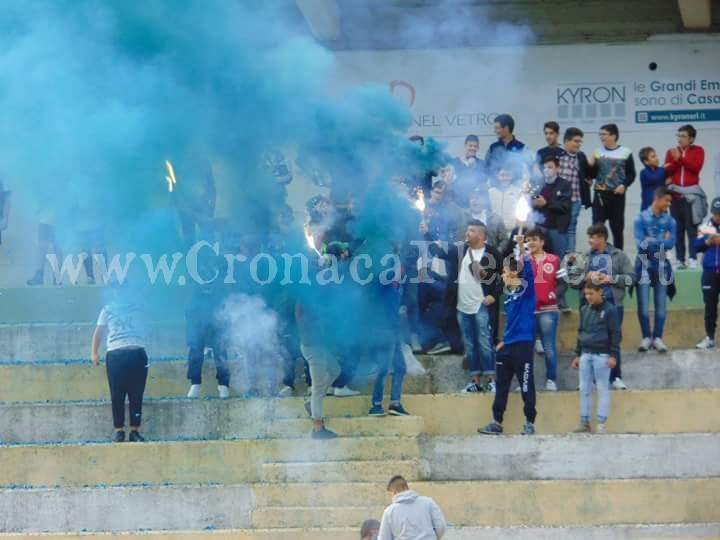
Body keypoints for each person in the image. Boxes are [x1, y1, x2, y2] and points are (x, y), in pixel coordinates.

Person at [434, 220, 503, 394]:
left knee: (485, 343)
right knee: (470, 345)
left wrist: (493, 296)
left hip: (481, 306)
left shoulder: (492, 253)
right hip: (462, 307)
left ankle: (492, 380)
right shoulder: (461, 250)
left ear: (481, 235)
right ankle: (475, 381)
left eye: (471, 231)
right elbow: (440, 253)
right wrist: (428, 234)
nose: (467, 233)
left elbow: (501, 277)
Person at [567, 223, 635, 390]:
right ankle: (587, 380)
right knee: (586, 340)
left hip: (612, 304)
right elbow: (572, 280)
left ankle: (615, 377)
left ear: (603, 238)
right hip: (588, 305)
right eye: (589, 237)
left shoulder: (619, 255)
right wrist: (586, 276)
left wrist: (609, 279)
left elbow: (632, 278)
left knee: (613, 339)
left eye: (594, 237)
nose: (590, 240)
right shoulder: (583, 257)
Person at [479, 254, 537, 435]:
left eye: (504, 272)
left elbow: (527, 271)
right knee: (501, 385)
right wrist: (503, 342)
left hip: (523, 345)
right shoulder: (508, 297)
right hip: (507, 347)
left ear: (512, 273)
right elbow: (512, 323)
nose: (501, 276)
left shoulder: (526, 291)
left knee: (526, 383)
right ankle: (496, 422)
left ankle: (529, 422)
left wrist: (522, 249)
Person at [90, 282, 148, 443]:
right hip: (116, 355)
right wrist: (94, 352)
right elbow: (98, 332)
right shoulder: (107, 309)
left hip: (138, 353)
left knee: (137, 395)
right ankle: (119, 430)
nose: (120, 291)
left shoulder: (139, 306)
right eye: (117, 288)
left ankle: (135, 430)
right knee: (117, 394)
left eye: (124, 287)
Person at [571, 281, 620, 434]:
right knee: (584, 389)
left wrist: (613, 355)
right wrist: (578, 354)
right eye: (586, 294)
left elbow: (615, 334)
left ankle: (601, 424)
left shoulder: (610, 310)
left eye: (591, 293)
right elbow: (580, 332)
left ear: (600, 292)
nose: (588, 297)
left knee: (602, 388)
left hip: (602, 355)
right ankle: (584, 422)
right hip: (586, 353)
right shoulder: (584, 309)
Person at [634, 187, 676, 353]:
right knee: (643, 305)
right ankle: (646, 337)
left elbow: (671, 244)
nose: (668, 204)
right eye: (667, 200)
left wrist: (651, 239)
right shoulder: (640, 218)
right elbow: (640, 245)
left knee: (661, 305)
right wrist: (661, 240)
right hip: (643, 264)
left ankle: (658, 337)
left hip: (662, 265)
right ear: (657, 199)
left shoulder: (670, 221)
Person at [526, 228, 567, 391]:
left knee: (549, 347)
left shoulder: (554, 259)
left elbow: (564, 283)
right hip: (527, 312)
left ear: (542, 242)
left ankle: (551, 380)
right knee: (526, 349)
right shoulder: (522, 260)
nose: (531, 242)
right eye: (528, 240)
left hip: (548, 310)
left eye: (534, 239)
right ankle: (525, 381)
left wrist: (554, 293)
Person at [185, 257, 231, 399]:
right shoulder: (196, 285)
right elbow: (191, 310)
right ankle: (195, 383)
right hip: (199, 322)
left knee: (221, 348)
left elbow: (225, 306)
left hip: (217, 322)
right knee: (195, 347)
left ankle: (223, 385)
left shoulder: (222, 285)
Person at [588, 123, 636, 250]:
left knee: (617, 229)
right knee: (597, 228)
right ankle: (596, 255)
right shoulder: (597, 152)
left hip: (617, 195)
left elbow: (631, 174)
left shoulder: (626, 152)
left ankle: (618, 257)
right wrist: (590, 163)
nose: (601, 137)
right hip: (600, 195)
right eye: (600, 134)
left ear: (613, 136)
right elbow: (592, 174)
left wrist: (624, 185)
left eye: (604, 134)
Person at [665, 124, 706, 269]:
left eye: (683, 136)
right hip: (675, 196)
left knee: (692, 229)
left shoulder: (698, 151)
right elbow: (667, 170)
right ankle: (680, 259)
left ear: (691, 139)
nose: (679, 139)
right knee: (678, 229)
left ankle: (693, 258)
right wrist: (676, 159)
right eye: (678, 136)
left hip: (691, 197)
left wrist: (680, 158)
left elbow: (696, 168)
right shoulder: (671, 152)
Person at [378, 475, 447, 540]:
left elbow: (384, 537)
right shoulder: (428, 502)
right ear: (407, 487)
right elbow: (441, 526)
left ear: (394, 492)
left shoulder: (389, 511)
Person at [558, 127, 592, 254]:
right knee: (560, 229)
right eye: (575, 141)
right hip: (560, 200)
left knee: (571, 228)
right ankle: (560, 255)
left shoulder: (581, 157)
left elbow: (588, 174)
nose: (578, 144)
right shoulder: (558, 156)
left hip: (576, 199)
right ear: (566, 141)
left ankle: (570, 258)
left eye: (580, 142)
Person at [694, 196, 720, 350]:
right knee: (710, 307)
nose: (718, 216)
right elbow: (695, 246)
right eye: (716, 213)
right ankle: (710, 338)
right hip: (710, 272)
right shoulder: (705, 227)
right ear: (712, 212)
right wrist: (707, 242)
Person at [461, 187, 509, 255]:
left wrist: (496, 253)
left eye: (477, 198)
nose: (474, 201)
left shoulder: (495, 218)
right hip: (467, 255)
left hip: (489, 258)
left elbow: (504, 239)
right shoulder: (462, 216)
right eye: (472, 198)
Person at [450, 134, 488, 205]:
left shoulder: (482, 164)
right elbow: (450, 181)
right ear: (465, 145)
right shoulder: (455, 162)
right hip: (458, 203)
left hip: (475, 204)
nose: (472, 148)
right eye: (470, 145)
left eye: (475, 146)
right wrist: (465, 165)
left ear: (478, 148)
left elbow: (484, 183)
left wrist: (474, 167)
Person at [489, 164, 525, 231]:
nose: (505, 178)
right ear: (498, 176)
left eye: (508, 175)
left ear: (512, 176)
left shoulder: (518, 191)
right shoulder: (491, 192)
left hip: (512, 230)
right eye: (502, 175)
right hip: (495, 230)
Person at [638, 147, 667, 211]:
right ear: (646, 162)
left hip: (661, 206)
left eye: (656, 156)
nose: (657, 158)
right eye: (653, 157)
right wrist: (664, 168)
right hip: (648, 206)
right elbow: (654, 178)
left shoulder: (661, 170)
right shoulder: (644, 172)